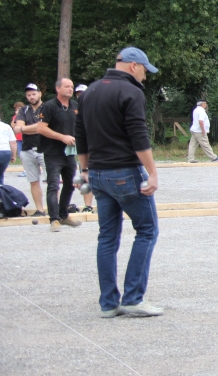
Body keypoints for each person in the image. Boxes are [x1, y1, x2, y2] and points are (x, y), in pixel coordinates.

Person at [75, 47, 163, 318]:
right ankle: (134, 298)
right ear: (134, 66)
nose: (145, 77)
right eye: (145, 71)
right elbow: (138, 135)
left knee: (107, 237)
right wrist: (152, 172)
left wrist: (85, 168)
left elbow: (80, 133)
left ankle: (108, 303)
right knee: (147, 230)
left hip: (98, 173)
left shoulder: (90, 91)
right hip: (124, 171)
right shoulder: (131, 92)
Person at [37, 78, 82, 232]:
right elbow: (41, 129)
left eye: (72, 86)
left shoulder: (75, 106)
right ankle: (54, 219)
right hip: (53, 152)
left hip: (70, 153)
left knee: (70, 184)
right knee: (53, 185)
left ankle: (64, 215)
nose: (70, 89)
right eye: (67, 86)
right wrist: (62, 137)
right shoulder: (49, 106)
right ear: (58, 88)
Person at [14, 84, 47, 216]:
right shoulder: (24, 110)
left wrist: (24, 128)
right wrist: (34, 128)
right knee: (33, 181)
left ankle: (54, 208)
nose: (31, 97)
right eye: (28, 95)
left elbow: (43, 127)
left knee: (52, 180)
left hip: (45, 148)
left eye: (33, 94)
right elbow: (17, 127)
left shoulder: (47, 107)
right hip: (27, 149)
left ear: (40, 94)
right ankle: (40, 209)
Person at [73, 84, 94, 213]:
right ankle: (88, 205)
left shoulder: (96, 108)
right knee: (86, 178)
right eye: (79, 94)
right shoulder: (75, 110)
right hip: (85, 148)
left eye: (83, 94)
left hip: (99, 149)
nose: (81, 96)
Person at [0, 110, 16, 185]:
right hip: (6, 152)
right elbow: (13, 142)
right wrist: (13, 155)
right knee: (1, 174)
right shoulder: (6, 126)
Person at [13, 102, 25, 177]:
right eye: (17, 108)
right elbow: (13, 125)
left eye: (20, 108)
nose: (18, 109)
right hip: (18, 138)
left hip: (26, 137)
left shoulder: (26, 115)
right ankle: (25, 169)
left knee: (26, 155)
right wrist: (16, 116)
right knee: (21, 155)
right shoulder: (15, 117)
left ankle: (27, 170)